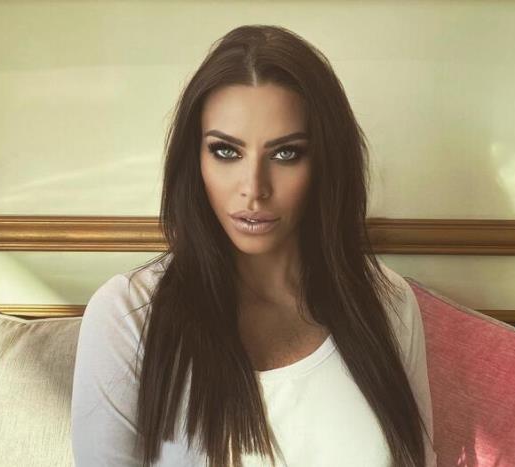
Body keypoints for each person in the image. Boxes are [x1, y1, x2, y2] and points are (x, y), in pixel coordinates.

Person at [71, 24, 437, 467]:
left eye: (286, 153)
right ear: (194, 159)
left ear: (325, 162)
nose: (254, 188)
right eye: (226, 151)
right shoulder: (128, 315)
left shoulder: (388, 302)